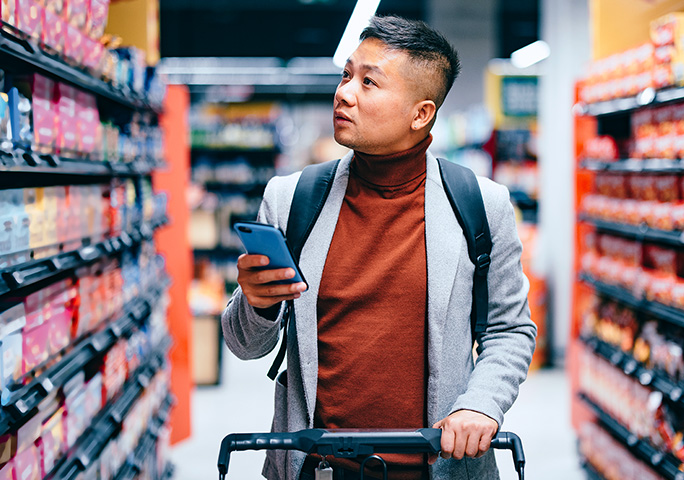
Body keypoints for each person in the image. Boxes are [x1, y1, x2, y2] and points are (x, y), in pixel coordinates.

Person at [221, 15, 536, 480]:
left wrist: (482, 405)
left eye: (369, 82)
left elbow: (509, 330)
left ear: (420, 114)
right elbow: (244, 344)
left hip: (439, 467)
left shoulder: (479, 206)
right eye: (347, 75)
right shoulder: (291, 200)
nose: (345, 93)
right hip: (316, 468)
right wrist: (258, 304)